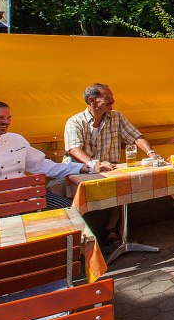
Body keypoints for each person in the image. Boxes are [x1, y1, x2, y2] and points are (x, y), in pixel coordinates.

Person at [63, 83, 156, 242]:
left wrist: (151, 153)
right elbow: (73, 149)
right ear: (92, 100)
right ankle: (83, 236)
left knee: (123, 183)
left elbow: (135, 136)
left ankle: (112, 227)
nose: (112, 100)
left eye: (111, 97)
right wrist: (94, 164)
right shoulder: (75, 121)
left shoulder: (116, 116)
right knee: (70, 193)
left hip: (109, 168)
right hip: (80, 170)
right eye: (107, 98)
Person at [0, 100, 94, 206]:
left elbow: (42, 165)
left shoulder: (16, 139)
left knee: (68, 209)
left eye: (9, 118)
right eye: (0, 118)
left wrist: (82, 167)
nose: (6, 122)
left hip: (25, 195)